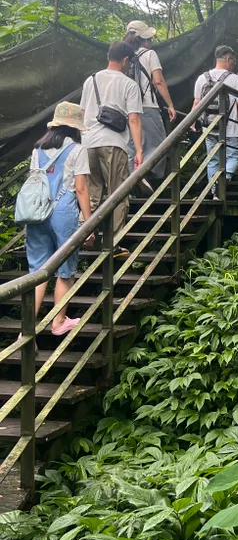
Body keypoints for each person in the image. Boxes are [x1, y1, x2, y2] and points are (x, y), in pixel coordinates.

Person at [23, 102, 93, 336]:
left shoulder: (37, 149)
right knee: (65, 270)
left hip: (36, 212)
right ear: (75, 128)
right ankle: (58, 321)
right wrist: (88, 223)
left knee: (38, 273)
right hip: (63, 212)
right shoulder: (76, 150)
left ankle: (26, 332)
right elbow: (81, 189)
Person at [79, 41, 143, 243]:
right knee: (118, 193)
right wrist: (139, 150)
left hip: (88, 142)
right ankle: (115, 242)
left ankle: (84, 234)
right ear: (125, 60)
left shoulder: (91, 80)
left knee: (93, 194)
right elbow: (133, 119)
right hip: (113, 143)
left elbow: (81, 113)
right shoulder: (129, 84)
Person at [124, 20, 176, 186]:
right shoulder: (149, 54)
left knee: (131, 144)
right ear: (143, 39)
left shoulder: (124, 56)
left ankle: (130, 180)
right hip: (147, 106)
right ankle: (145, 175)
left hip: (127, 108)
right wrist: (170, 105)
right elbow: (158, 81)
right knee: (159, 143)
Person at [191, 45, 238, 193]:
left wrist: (192, 121)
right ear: (228, 59)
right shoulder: (233, 79)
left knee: (213, 160)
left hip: (209, 128)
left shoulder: (202, 78)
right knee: (234, 157)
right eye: (234, 62)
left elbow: (196, 103)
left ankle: (214, 193)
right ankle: (223, 180)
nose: (234, 65)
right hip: (230, 129)